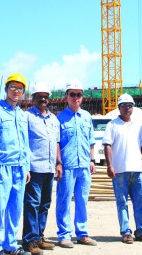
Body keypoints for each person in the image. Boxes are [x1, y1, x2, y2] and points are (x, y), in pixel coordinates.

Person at [0, 73, 31, 255]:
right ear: (6, 89)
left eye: (20, 88)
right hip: (1, 168)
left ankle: (10, 246)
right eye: (13, 87)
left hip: (19, 168)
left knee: (15, 209)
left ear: (23, 92)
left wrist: (26, 167)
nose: (16, 91)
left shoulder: (22, 115)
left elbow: (25, 144)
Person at [102, 93, 142, 244]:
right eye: (124, 105)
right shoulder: (112, 125)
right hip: (119, 171)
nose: (127, 108)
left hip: (136, 170)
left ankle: (140, 231)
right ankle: (126, 232)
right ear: (119, 108)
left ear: (133, 108)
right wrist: (110, 165)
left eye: (130, 106)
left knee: (140, 201)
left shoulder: (138, 126)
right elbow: (107, 145)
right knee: (122, 202)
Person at [56, 80, 97, 248]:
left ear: (82, 97)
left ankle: (82, 233)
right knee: (64, 200)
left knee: (82, 200)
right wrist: (58, 163)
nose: (75, 97)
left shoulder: (87, 117)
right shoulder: (59, 118)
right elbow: (56, 143)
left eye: (78, 94)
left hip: (84, 166)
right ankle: (64, 235)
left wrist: (92, 160)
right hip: (67, 166)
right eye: (72, 94)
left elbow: (91, 141)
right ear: (66, 96)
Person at [22, 83, 62, 255]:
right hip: (34, 168)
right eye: (39, 96)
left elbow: (56, 143)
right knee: (32, 204)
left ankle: (39, 237)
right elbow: (23, 143)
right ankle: (29, 241)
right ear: (33, 99)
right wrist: (25, 167)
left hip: (49, 168)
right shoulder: (27, 117)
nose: (43, 99)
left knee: (45, 204)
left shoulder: (54, 119)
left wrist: (58, 163)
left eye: (46, 96)